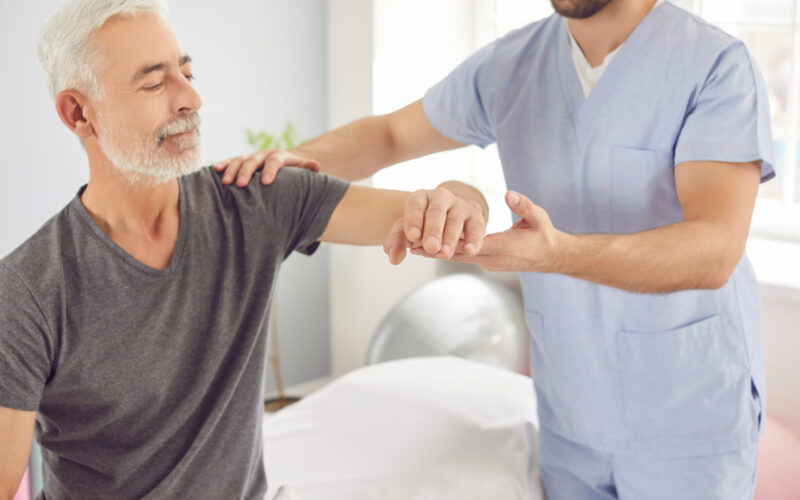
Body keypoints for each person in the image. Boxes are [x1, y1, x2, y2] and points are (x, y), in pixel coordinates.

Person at [218, 0, 775, 498]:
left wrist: (558, 254)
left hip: (688, 414)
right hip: (571, 419)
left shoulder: (713, 65)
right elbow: (390, 135)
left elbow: (714, 248)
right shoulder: (514, 64)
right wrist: (295, 162)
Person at [0, 1, 489, 498]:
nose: (190, 97)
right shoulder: (26, 293)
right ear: (78, 113)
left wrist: (460, 199)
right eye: (153, 83)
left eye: (187, 72)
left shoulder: (256, 200)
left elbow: (432, 212)